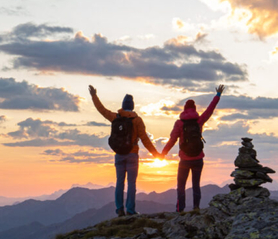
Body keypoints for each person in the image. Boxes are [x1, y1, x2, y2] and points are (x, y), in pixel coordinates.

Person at [89, 85, 159, 216]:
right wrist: (156, 154)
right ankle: (131, 210)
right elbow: (145, 139)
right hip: (132, 154)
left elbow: (101, 110)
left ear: (122, 105)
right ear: (132, 106)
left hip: (119, 154)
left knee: (119, 182)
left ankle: (119, 209)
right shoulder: (137, 120)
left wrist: (94, 96)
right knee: (131, 183)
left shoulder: (115, 118)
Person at [161, 84, 225, 212]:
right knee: (196, 185)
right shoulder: (199, 121)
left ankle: (180, 209)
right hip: (198, 158)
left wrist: (163, 153)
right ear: (194, 109)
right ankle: (196, 207)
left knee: (181, 186)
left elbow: (172, 139)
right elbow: (210, 109)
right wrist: (217, 95)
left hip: (185, 159)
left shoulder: (179, 123)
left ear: (184, 110)